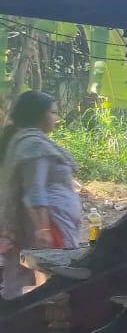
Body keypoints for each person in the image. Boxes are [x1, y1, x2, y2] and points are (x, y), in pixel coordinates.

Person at [0, 91, 82, 300]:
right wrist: (43, 228)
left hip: (52, 221)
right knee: (54, 273)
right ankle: (50, 320)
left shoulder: (29, 142)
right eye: (52, 112)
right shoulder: (32, 145)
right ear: (39, 115)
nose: (56, 118)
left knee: (47, 273)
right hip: (51, 224)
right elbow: (34, 190)